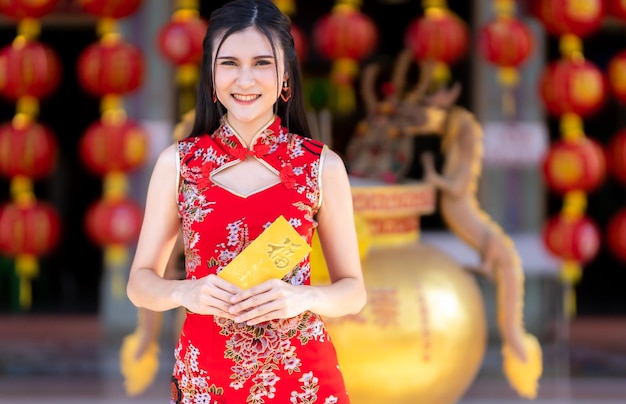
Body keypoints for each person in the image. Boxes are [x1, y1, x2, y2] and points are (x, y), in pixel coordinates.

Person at [126, 0, 366, 402]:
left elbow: (353, 291)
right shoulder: (179, 165)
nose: (245, 79)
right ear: (210, 75)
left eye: (261, 63)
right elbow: (139, 282)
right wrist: (183, 292)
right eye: (229, 63)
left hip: (302, 381)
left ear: (285, 73)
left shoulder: (321, 166)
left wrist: (302, 297)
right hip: (206, 379)